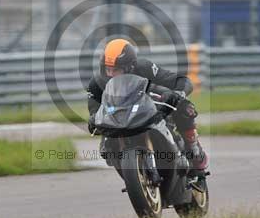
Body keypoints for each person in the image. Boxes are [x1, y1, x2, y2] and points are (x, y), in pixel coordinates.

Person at [86, 38, 208, 175]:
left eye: (117, 70)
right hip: (118, 118)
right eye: (108, 69)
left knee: (185, 107)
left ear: (130, 67)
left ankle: (194, 149)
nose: (111, 74)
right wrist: (93, 119)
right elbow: (94, 109)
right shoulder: (97, 83)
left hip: (148, 108)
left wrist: (177, 93)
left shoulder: (144, 68)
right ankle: (130, 173)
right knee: (105, 148)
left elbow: (181, 81)